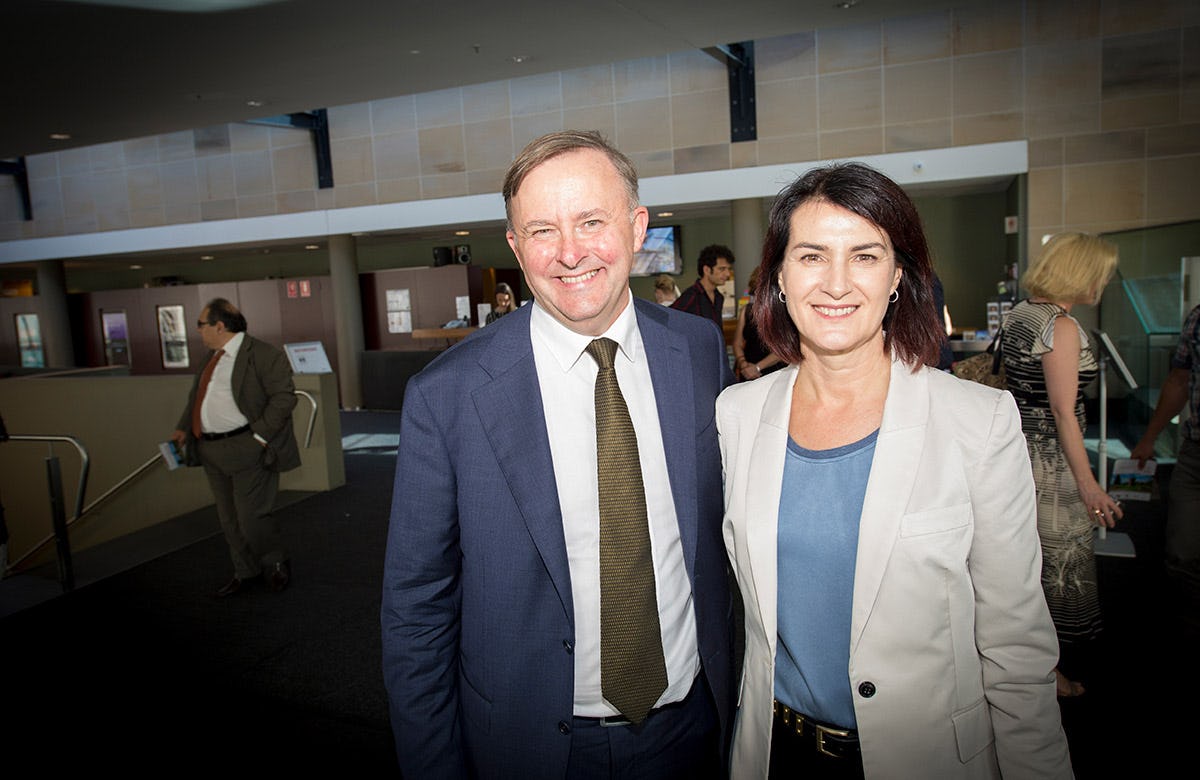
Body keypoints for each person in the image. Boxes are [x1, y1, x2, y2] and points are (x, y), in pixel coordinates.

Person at [381, 130, 735, 779]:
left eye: (591, 222)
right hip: (537, 748)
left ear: (636, 226)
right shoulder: (447, 396)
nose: (570, 253)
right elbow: (416, 611)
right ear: (516, 247)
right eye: (542, 230)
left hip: (695, 724)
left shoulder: (698, 350)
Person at [718, 162, 1071, 779]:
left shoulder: (976, 421)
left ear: (899, 276)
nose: (835, 283)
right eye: (810, 256)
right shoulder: (738, 414)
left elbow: (1015, 648)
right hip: (777, 754)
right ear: (778, 276)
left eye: (864, 255)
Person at [1000, 232, 1123, 698]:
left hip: (1019, 454)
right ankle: (1045, 676)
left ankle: (1035, 669)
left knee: (1025, 564)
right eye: (1102, 275)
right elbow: (1063, 411)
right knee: (1055, 567)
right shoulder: (1061, 326)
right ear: (1082, 273)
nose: (1104, 284)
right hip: (1051, 464)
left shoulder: (1021, 313)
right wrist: (1090, 485)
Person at [172, 298, 299, 597]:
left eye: (201, 324)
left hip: (247, 448)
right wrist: (183, 426)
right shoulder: (211, 357)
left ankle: (275, 562)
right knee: (228, 519)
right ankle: (245, 571)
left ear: (220, 325)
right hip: (210, 448)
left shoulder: (264, 355)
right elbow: (197, 397)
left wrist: (258, 437)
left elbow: (284, 398)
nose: (198, 331)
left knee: (251, 517)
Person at [1130, 302, 1200, 634]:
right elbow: (1179, 380)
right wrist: (1149, 438)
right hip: (1194, 451)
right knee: (1181, 549)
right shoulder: (1198, 317)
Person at [732, 266, 783, 381]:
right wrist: (745, 365)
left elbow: (784, 349)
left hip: (772, 373)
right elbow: (737, 343)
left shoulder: (783, 313)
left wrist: (755, 367)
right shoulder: (747, 310)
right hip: (749, 371)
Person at [672, 244, 733, 327]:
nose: (727, 274)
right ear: (707, 270)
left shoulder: (719, 297)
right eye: (722, 269)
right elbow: (669, 318)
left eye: (728, 269)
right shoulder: (691, 296)